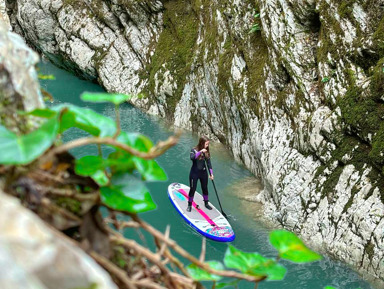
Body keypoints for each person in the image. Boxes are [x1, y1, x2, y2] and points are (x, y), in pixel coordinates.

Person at [187, 136, 214, 212]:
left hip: (203, 173)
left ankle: (206, 203)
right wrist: (200, 151)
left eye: (208, 144)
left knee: (205, 188)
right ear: (202, 143)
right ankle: (189, 205)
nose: (207, 146)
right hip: (194, 173)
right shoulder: (194, 150)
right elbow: (192, 158)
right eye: (206, 144)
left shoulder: (206, 152)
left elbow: (209, 164)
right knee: (193, 189)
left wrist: (211, 174)